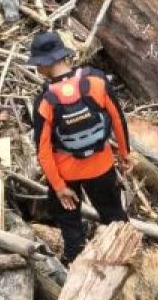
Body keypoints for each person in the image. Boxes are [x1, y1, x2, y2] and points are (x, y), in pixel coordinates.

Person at [27, 30, 131, 264]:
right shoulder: (96, 82)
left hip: (66, 173)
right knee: (115, 218)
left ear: (44, 64)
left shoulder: (45, 101)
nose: (37, 69)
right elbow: (118, 120)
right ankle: (123, 260)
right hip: (102, 167)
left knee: (69, 224)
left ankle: (74, 261)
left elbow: (43, 151)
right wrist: (125, 154)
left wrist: (59, 186)